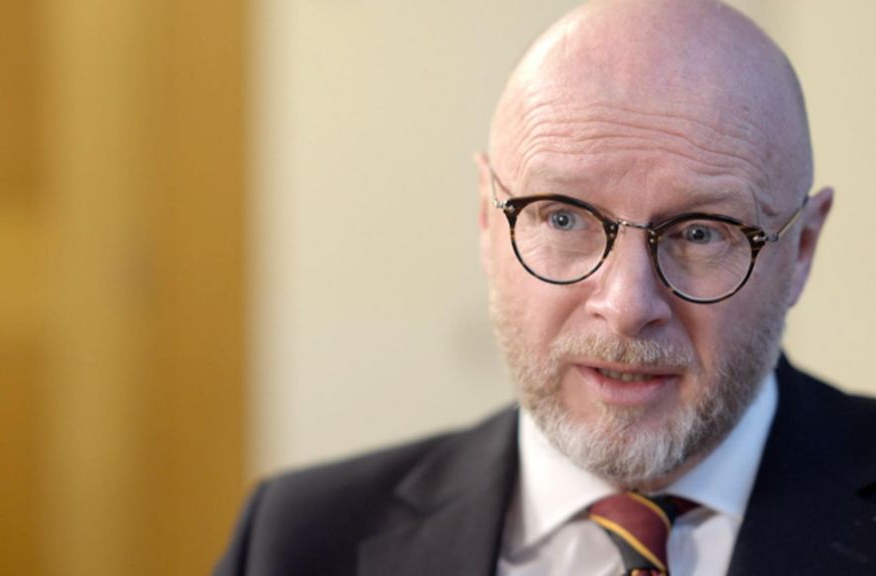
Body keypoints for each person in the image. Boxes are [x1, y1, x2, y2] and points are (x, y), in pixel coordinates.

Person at [215, 0, 876, 574]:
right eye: (563, 218)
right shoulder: (296, 542)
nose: (626, 308)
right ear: (485, 218)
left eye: (701, 233)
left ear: (803, 249)